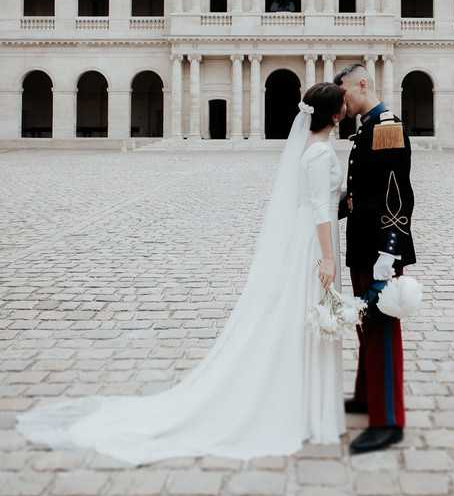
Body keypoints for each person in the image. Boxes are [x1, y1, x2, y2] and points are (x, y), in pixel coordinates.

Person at [16, 84, 348, 464]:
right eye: (342, 104)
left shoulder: (309, 148)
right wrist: (327, 257)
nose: (346, 107)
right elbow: (321, 207)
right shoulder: (320, 152)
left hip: (303, 236)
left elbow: (316, 198)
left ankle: (302, 400)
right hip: (313, 241)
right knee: (306, 315)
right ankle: (302, 404)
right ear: (334, 114)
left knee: (297, 315)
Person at [335, 63, 416, 455]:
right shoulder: (366, 127)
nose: (343, 100)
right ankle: (367, 397)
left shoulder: (385, 124)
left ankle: (388, 420)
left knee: (382, 328)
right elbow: (360, 192)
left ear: (362, 84)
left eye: (346, 91)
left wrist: (390, 250)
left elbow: (397, 193)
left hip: (378, 248)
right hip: (363, 244)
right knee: (367, 324)